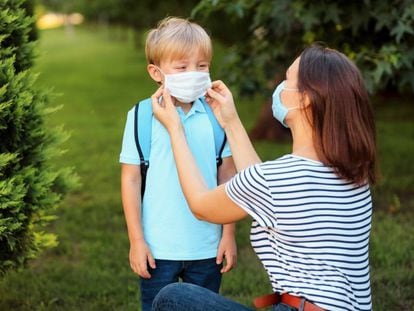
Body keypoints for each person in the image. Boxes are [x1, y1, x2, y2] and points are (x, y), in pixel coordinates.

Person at [150, 44, 378, 311]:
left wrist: (175, 129)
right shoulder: (355, 175)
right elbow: (261, 186)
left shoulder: (276, 180)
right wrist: (230, 121)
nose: (280, 86)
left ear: (304, 98)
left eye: (287, 79)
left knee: (174, 298)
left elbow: (201, 205)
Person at [119, 17, 237, 311]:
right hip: (158, 249)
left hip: (207, 247)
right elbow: (131, 179)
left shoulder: (217, 116)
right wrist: (137, 240)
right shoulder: (141, 117)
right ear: (156, 72)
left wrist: (229, 235)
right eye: (182, 67)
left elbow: (229, 178)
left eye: (202, 66)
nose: (194, 74)